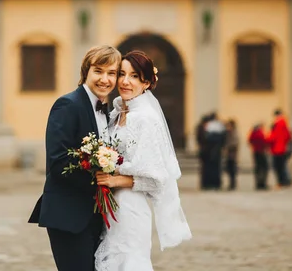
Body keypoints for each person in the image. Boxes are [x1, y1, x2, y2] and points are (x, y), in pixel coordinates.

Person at [94, 50, 192, 270]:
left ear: (146, 83)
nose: (126, 82)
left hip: (130, 207)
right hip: (111, 206)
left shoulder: (145, 119)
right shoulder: (117, 114)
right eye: (122, 74)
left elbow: (156, 179)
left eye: (135, 76)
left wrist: (114, 181)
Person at [28, 45, 122, 271]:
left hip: (97, 216)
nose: (105, 79)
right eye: (99, 71)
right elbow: (58, 161)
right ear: (86, 72)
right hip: (69, 216)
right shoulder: (68, 105)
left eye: (112, 73)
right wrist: (99, 178)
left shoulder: (107, 111)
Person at [267, 109, 292, 188]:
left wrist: (267, 139)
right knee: (282, 166)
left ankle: (281, 182)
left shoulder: (277, 124)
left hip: (277, 149)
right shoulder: (285, 123)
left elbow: (273, 137)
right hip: (282, 148)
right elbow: (288, 136)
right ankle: (286, 181)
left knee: (277, 167)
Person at [202, 112, 227, 190]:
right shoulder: (220, 126)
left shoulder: (209, 126)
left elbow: (205, 138)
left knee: (210, 168)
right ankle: (216, 184)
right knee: (216, 168)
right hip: (216, 150)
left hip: (209, 151)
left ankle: (209, 184)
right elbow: (223, 139)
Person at [248, 123, 269, 190]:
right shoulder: (260, 133)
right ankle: (262, 183)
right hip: (261, 152)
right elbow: (264, 141)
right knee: (264, 168)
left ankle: (257, 183)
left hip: (255, 152)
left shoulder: (253, 133)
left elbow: (249, 140)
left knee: (257, 168)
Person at [224, 119, 239, 190]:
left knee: (232, 170)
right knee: (229, 170)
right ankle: (231, 183)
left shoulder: (234, 132)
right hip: (229, 154)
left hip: (232, 154)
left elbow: (235, 143)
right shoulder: (228, 132)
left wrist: (227, 146)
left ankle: (233, 184)